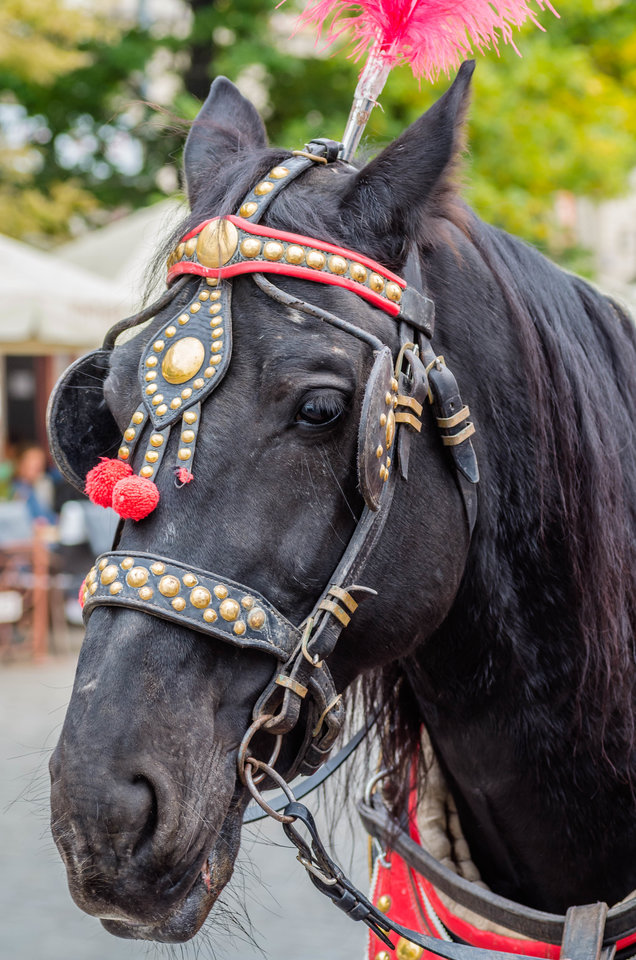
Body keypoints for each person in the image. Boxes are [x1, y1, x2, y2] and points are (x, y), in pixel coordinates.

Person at [11, 445, 57, 525]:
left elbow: (48, 517)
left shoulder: (42, 485)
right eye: (32, 461)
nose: (38, 464)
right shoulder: (14, 488)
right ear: (21, 464)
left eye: (40, 461)